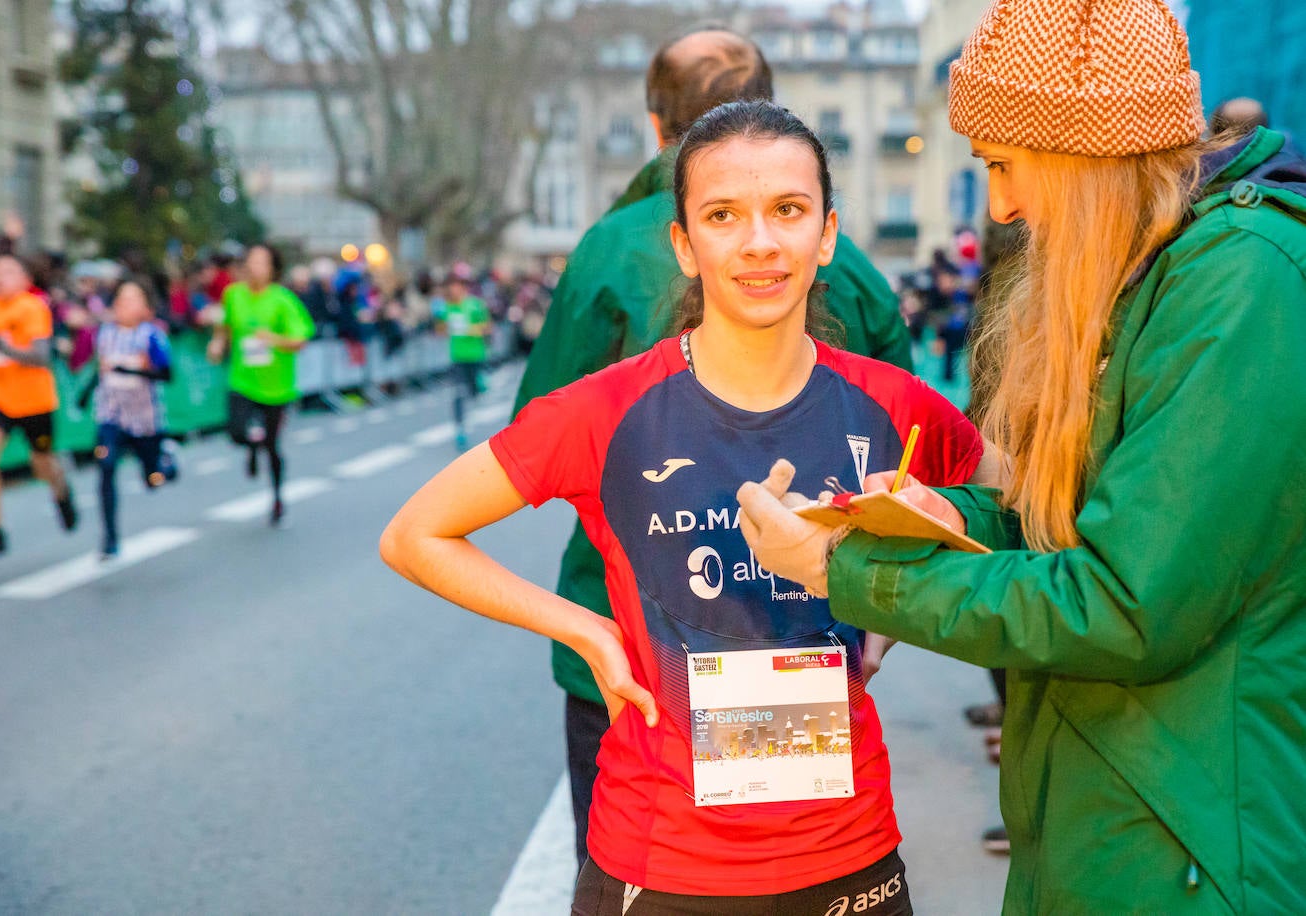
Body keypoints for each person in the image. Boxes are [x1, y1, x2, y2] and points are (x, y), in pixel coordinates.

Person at [734, 0, 1306, 911]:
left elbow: (1126, 605)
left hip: (1189, 841)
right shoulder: (1155, 265)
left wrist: (844, 569)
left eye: (1005, 164)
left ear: (1086, 150)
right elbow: (1084, 524)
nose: (999, 205)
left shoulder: (1239, 283)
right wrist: (953, 516)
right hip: (1109, 812)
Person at [383, 101, 995, 914]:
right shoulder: (606, 410)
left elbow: (1008, 496)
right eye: (721, 215)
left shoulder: (890, 403)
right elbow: (415, 534)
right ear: (684, 243)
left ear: (828, 234)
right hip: (662, 861)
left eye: (787, 210)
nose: (759, 243)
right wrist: (584, 627)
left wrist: (899, 588)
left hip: (850, 856)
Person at [512, 25, 915, 867]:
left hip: (631, 642)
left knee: (653, 860)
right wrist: (889, 604)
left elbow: (534, 427)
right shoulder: (847, 267)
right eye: (721, 219)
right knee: (790, 856)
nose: (756, 246)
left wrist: (587, 627)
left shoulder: (601, 253)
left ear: (656, 126)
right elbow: (906, 460)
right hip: (799, 629)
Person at [0, 252, 77, 558]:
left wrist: (2, 345)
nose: (1, 277)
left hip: (35, 402)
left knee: (42, 465)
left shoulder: (33, 307)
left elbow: (40, 356)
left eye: (10, 271)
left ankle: (61, 491)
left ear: (25, 279)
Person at [207, 243, 315, 526]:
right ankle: (250, 444)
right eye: (251, 262)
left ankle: (278, 496)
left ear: (272, 269)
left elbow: (301, 340)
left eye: (262, 263)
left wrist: (274, 339)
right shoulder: (233, 295)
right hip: (242, 380)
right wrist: (217, 345)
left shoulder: (283, 300)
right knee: (236, 432)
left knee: (272, 446)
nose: (255, 268)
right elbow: (224, 327)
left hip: (276, 387)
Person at [86, 281, 176, 558]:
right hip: (111, 415)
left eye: (134, 299)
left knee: (154, 479)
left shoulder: (152, 336)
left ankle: (167, 461)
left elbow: (166, 375)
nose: (127, 305)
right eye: (122, 300)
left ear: (146, 307)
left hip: (144, 418)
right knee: (106, 464)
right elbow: (99, 370)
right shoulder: (104, 335)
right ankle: (110, 538)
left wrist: (132, 370)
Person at [438, 263, 491, 451]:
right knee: (458, 393)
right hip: (457, 357)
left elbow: (487, 328)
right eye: (451, 285)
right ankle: (460, 428)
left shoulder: (475, 305)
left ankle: (481, 383)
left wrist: (471, 330)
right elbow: (441, 330)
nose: (453, 289)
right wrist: (443, 327)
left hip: (475, 355)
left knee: (474, 391)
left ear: (463, 287)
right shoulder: (447, 308)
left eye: (457, 285)